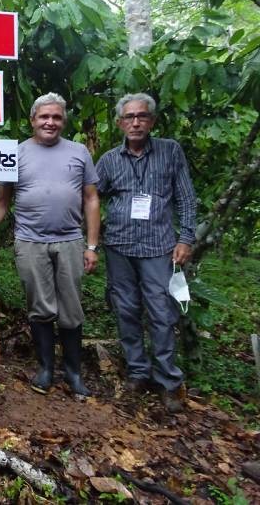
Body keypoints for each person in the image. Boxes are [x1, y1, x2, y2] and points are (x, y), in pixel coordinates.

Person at [0, 92, 100, 397]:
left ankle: (74, 373)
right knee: (40, 308)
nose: (50, 122)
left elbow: (91, 199)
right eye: (44, 117)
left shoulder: (79, 152)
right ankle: (46, 370)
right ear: (33, 120)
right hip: (30, 241)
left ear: (63, 121)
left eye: (56, 117)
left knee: (71, 308)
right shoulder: (17, 153)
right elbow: (2, 201)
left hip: (70, 241)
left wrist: (92, 246)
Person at [96, 93, 196, 414]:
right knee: (125, 310)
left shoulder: (170, 151)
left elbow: (186, 198)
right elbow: (91, 198)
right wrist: (90, 237)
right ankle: (137, 372)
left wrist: (186, 238)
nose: (135, 122)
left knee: (161, 313)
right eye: (129, 117)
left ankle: (168, 380)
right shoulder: (110, 159)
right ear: (119, 123)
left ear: (152, 121)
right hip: (119, 247)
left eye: (142, 116)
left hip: (158, 248)